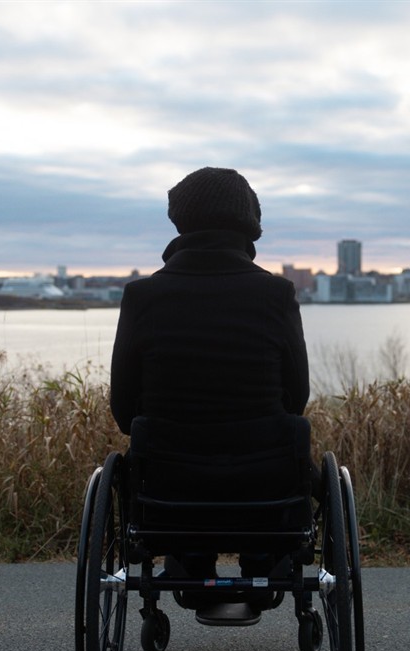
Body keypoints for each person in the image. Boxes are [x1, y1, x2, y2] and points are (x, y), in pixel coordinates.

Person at [109, 166, 311, 590]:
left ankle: (188, 558)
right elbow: (297, 397)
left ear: (180, 220)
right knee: (288, 432)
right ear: (249, 224)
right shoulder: (276, 294)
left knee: (151, 440)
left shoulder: (141, 296)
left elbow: (125, 411)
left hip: (167, 490)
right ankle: (264, 556)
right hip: (267, 487)